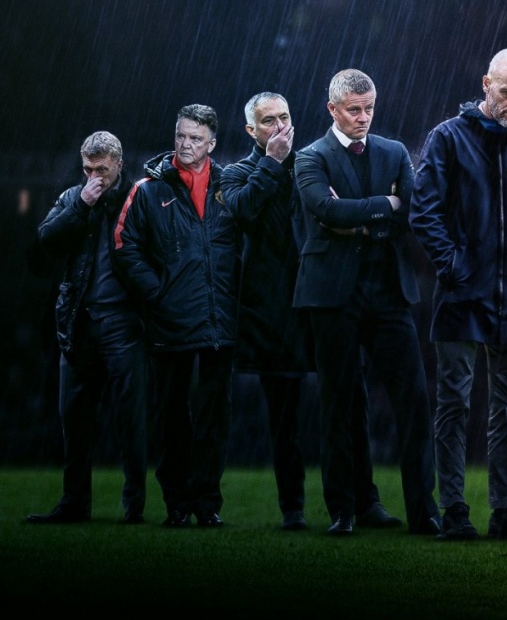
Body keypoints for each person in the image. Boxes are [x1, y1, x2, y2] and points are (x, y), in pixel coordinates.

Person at [221, 91, 402, 531]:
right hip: (273, 313)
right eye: (268, 121)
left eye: (284, 117)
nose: (279, 127)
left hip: (325, 299)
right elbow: (242, 211)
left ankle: (364, 502)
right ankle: (294, 509)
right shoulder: (237, 173)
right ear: (250, 130)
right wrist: (271, 163)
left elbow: (339, 214)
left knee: (350, 402)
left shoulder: (312, 163)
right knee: (284, 417)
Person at [409, 47, 507, 541]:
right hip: (462, 294)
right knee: (454, 404)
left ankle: (504, 511)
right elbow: (423, 212)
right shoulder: (447, 138)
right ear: (486, 84)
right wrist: (455, 266)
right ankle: (454, 510)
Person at [293, 69, 441, 536]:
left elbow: (410, 212)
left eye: (369, 108)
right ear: (332, 109)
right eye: (354, 109)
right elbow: (326, 210)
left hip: (387, 293)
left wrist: (357, 220)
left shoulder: (394, 152)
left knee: (414, 400)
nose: (363, 117)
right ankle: (346, 509)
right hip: (331, 296)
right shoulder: (309, 157)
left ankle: (424, 512)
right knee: (340, 404)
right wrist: (385, 206)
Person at [113, 104, 239, 528]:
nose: (186, 144)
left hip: (219, 321)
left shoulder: (229, 186)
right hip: (170, 323)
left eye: (196, 138)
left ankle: (207, 504)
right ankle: (177, 503)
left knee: (213, 420)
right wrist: (157, 294)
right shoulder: (147, 189)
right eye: (181, 135)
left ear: (212, 144)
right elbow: (123, 245)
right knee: (171, 418)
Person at [27, 132, 149, 525]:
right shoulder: (72, 198)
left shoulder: (138, 198)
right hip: (79, 323)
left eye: (101, 169)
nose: (94, 176)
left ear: (118, 164)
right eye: (88, 169)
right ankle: (74, 502)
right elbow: (44, 242)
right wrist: (81, 205)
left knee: (130, 418)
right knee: (74, 418)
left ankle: (134, 506)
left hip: (123, 323)